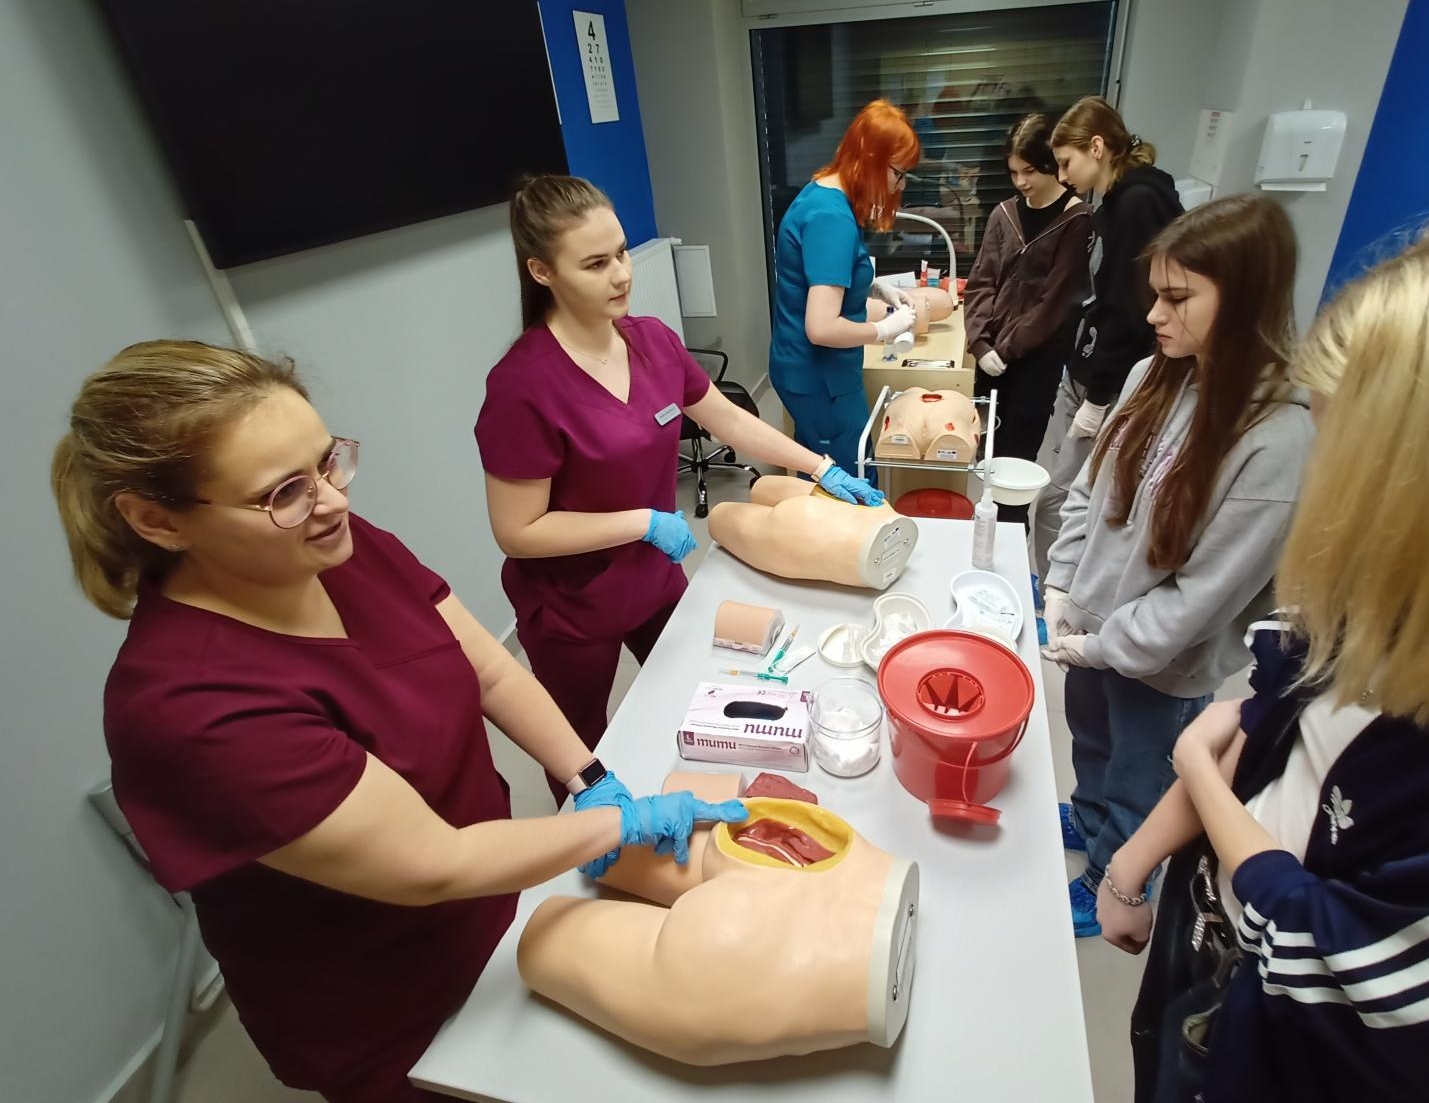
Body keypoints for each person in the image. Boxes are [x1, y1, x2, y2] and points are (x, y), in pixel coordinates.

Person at [54, 340, 748, 1103]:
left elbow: (488, 670)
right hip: (382, 999)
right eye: (285, 493)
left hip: (492, 901)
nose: (332, 502)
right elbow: (434, 864)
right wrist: (622, 823)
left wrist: (589, 776)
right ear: (157, 521)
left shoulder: (345, 553)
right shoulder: (189, 709)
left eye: (328, 463)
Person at [1102, 209, 1429, 1103]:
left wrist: (1201, 776)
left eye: (1350, 460)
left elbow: (1324, 961)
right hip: (1214, 970)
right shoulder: (1379, 610)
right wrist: (1135, 862)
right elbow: (1263, 724)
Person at [479, 175, 883, 804]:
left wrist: (819, 467)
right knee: (582, 748)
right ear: (542, 272)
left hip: (654, 578)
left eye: (621, 253)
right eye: (595, 264)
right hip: (570, 606)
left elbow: (727, 420)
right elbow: (518, 531)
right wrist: (641, 521)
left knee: (696, 697)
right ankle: (595, 844)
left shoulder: (652, 342)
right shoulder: (522, 387)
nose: (621, 274)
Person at [1041, 194, 1313, 939]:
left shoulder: (1276, 440)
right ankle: (1089, 816)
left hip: (1161, 664)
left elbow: (1200, 597)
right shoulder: (1152, 376)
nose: (1154, 314)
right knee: (1092, 742)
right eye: (1155, 293)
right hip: (1094, 632)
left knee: (1142, 774)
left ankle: (1112, 871)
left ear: (1245, 299)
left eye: (1177, 298)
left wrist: (1105, 645)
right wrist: (1062, 582)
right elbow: (1091, 490)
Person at [1031, 96, 1184, 578]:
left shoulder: (1137, 204)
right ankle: (1052, 583)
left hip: (1110, 380)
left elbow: (1130, 309)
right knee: (1057, 494)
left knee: (1063, 500)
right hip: (1088, 367)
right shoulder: (1115, 201)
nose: (1062, 176)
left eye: (1066, 163)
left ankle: (1053, 593)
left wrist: (1098, 398)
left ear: (1096, 147)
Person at [769, 99, 923, 475]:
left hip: (805, 370)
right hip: (821, 377)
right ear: (871, 159)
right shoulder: (831, 218)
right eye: (898, 173)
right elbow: (821, 328)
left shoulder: (820, 192)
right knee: (851, 478)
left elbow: (817, 276)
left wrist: (873, 286)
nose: (900, 185)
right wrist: (884, 330)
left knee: (817, 468)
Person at [963, 112, 1095, 523]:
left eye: (1030, 171)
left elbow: (1055, 302)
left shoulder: (1077, 220)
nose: (1021, 182)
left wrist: (1005, 350)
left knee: (1017, 462)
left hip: (1037, 361)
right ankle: (984, 530)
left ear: (1053, 165)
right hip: (990, 359)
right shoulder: (1003, 214)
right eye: (1014, 172)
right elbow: (981, 281)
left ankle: (1009, 536)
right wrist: (979, 344)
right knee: (986, 455)